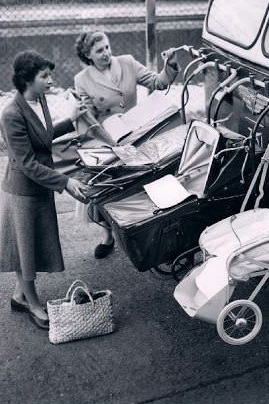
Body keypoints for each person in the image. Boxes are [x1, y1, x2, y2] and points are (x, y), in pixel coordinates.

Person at [0, 51, 89, 330]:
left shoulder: (40, 100)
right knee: (25, 250)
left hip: (41, 185)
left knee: (30, 246)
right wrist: (67, 182)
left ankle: (19, 296)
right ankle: (32, 303)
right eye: (44, 76)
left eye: (50, 75)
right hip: (24, 190)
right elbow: (26, 163)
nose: (51, 80)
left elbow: (44, 135)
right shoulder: (11, 114)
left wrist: (72, 120)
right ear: (27, 79)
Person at [73, 30, 179, 258]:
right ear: (87, 54)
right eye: (99, 50)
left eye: (107, 47)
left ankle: (150, 229)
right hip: (107, 139)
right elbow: (88, 118)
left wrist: (169, 65)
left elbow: (157, 82)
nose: (106, 53)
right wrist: (82, 115)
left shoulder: (127, 62)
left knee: (146, 182)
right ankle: (108, 235)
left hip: (138, 133)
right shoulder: (81, 80)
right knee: (106, 188)